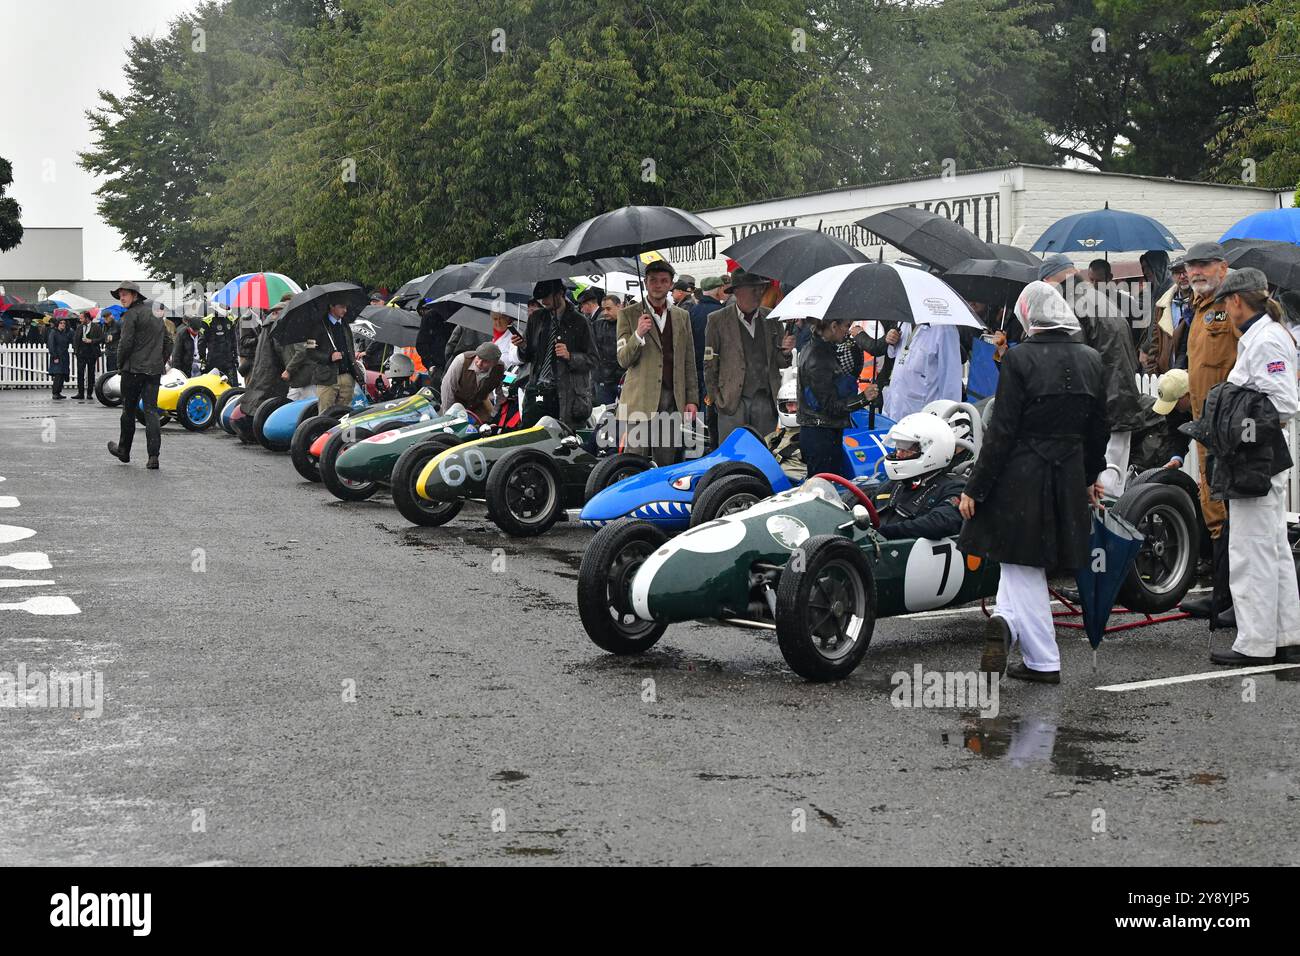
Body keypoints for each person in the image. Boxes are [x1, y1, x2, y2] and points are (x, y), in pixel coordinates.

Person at [958, 282, 1109, 684]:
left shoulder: (1020, 360)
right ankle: (1006, 624)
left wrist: (975, 487)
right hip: (1069, 470)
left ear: (1028, 316)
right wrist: (1091, 477)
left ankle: (1044, 661)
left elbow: (1001, 432)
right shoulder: (1092, 359)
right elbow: (1100, 429)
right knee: (1018, 560)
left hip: (1023, 473)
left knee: (1021, 560)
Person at [1197, 269, 1299, 665]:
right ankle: (1287, 635)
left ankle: (1255, 644)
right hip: (1260, 454)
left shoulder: (1267, 338)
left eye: (1225, 302)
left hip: (1257, 457)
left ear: (1237, 301)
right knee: (1271, 547)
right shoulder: (1263, 334)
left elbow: (1285, 402)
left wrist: (1238, 430)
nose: (1223, 309)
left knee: (1249, 550)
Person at [1044, 256, 1144, 497]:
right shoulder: (1098, 299)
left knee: (1099, 489)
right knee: (1114, 485)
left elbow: (1073, 360)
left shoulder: (1071, 303)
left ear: (1048, 281)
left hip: (1102, 407)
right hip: (1121, 400)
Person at [1178, 241, 1238, 621]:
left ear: (1222, 267)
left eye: (1204, 265)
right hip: (1204, 427)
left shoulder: (1233, 307)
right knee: (1212, 506)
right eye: (1192, 266)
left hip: (1229, 427)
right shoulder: (1199, 309)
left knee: (1230, 508)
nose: (1196, 272)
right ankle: (1221, 592)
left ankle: (1231, 598)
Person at [616, 260, 699, 465]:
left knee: (666, 464)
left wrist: (692, 399)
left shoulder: (682, 316)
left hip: (672, 400)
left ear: (671, 284)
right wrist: (638, 334)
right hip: (639, 401)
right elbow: (623, 359)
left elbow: (688, 360)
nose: (658, 285)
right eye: (653, 280)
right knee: (634, 462)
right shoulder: (628, 314)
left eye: (664, 281)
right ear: (645, 283)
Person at [703, 269, 793, 443]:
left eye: (761, 289)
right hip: (731, 404)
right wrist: (716, 398)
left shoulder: (772, 318)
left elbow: (780, 362)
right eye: (753, 289)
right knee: (732, 457)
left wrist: (786, 353)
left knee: (764, 453)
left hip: (765, 402)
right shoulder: (717, 320)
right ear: (737, 291)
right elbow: (709, 364)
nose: (759, 293)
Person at [512, 279, 594, 431]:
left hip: (567, 394)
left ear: (560, 294)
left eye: (547, 297)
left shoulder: (579, 322)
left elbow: (593, 359)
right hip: (538, 389)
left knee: (562, 438)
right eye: (540, 298)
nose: (543, 302)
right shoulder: (536, 318)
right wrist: (522, 346)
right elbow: (528, 356)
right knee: (530, 433)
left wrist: (570, 356)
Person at [874, 413, 966, 541]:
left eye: (907, 448)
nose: (899, 454)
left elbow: (941, 523)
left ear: (932, 451)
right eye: (898, 447)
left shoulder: (954, 488)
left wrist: (884, 533)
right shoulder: (896, 482)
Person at [796, 317, 868, 478]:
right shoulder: (819, 356)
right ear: (834, 326)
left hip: (822, 431)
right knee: (823, 491)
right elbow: (831, 406)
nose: (848, 331)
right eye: (846, 326)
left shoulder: (819, 348)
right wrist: (864, 398)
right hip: (821, 435)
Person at [107, 281, 167, 469]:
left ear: (135, 296)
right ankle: (153, 457)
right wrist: (160, 362)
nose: (121, 298)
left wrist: (119, 365)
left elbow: (125, 344)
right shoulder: (156, 314)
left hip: (133, 370)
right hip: (153, 371)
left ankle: (124, 451)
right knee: (151, 412)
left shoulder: (131, 315)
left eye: (125, 294)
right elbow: (168, 341)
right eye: (120, 295)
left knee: (128, 411)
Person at [285, 297, 366, 411]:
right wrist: (328, 357)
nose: (345, 310)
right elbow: (310, 352)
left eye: (346, 307)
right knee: (325, 413)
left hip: (347, 376)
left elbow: (350, 350)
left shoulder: (345, 325)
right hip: (327, 378)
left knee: (345, 414)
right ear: (332, 307)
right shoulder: (316, 326)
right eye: (341, 307)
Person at [881, 318, 962, 422]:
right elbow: (897, 356)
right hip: (894, 409)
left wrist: (948, 419)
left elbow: (951, 379)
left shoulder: (946, 329)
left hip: (922, 417)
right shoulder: (904, 322)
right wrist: (892, 343)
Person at [1140, 257, 1192, 374]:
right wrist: (1151, 371)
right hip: (1167, 371)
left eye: (1185, 271)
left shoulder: (1199, 302)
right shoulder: (1163, 304)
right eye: (1177, 272)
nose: (1182, 276)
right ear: (1172, 275)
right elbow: (1155, 342)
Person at [441, 341, 505, 421]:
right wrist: (448, 415)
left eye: (485, 361)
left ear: (494, 363)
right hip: (455, 404)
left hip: (478, 406)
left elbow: (501, 394)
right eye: (478, 357)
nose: (479, 363)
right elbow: (447, 389)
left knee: (482, 429)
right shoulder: (461, 360)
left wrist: (495, 414)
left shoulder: (499, 368)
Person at [591, 295, 622, 407]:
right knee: (604, 416)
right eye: (603, 309)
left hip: (622, 379)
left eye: (608, 309)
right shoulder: (597, 325)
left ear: (619, 306)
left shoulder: (628, 325)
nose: (605, 312)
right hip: (602, 379)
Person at [201, 309, 239, 383]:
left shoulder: (230, 320)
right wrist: (203, 359)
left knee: (233, 387)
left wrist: (236, 357)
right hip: (214, 361)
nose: (226, 308)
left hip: (229, 361)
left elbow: (234, 341)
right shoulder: (207, 321)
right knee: (214, 385)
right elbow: (202, 342)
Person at [73, 310, 104, 399]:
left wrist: (92, 341)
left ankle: (89, 393)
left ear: (87, 318)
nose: (80, 320)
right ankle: (80, 393)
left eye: (81, 318)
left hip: (92, 353)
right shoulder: (79, 327)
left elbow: (102, 338)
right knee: (80, 373)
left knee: (91, 373)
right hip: (81, 354)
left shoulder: (96, 327)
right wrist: (76, 351)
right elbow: (75, 339)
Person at [46, 316, 74, 400]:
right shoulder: (53, 332)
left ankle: (58, 392)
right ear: (57, 324)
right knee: (57, 374)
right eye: (61, 323)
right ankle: (55, 393)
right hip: (57, 356)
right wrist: (54, 356)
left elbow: (71, 340)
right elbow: (51, 345)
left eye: (64, 323)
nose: (63, 324)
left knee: (62, 374)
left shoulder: (66, 333)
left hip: (64, 356)